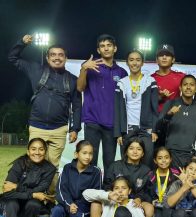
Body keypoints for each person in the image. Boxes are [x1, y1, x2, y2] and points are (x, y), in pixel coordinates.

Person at [8, 34, 82, 189]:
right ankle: (31, 198)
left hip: (59, 130)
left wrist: (75, 128)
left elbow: (77, 106)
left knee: (52, 168)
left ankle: (48, 201)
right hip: (37, 127)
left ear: (65, 58)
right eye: (53, 55)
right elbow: (12, 58)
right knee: (33, 164)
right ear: (47, 58)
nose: (57, 58)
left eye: (60, 55)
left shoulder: (73, 80)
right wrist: (21, 43)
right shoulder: (36, 69)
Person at [36, 140, 102, 217]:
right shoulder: (67, 168)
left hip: (84, 208)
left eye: (91, 153)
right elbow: (61, 190)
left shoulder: (96, 171)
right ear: (76, 154)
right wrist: (69, 204)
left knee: (76, 215)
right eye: (84, 153)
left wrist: (77, 205)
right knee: (56, 210)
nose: (88, 156)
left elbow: (95, 193)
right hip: (67, 204)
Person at [0, 138, 56, 217]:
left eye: (41, 149)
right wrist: (32, 193)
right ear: (28, 151)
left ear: (45, 152)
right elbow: (8, 192)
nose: (37, 152)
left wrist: (18, 188)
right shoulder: (20, 163)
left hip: (31, 201)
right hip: (13, 200)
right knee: (11, 203)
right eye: (33, 149)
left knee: (34, 204)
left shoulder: (50, 169)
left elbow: (40, 190)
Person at [77, 34, 127, 170]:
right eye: (102, 46)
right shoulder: (90, 67)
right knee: (89, 159)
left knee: (109, 161)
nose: (106, 49)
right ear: (98, 50)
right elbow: (80, 88)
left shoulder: (122, 72)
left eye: (109, 45)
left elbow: (125, 100)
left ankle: (107, 189)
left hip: (111, 123)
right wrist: (84, 69)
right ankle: (90, 189)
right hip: (92, 120)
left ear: (115, 48)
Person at [90, 138, 153, 217]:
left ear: (143, 154)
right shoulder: (115, 166)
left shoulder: (146, 170)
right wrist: (113, 195)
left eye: (139, 149)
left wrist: (139, 198)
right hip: (114, 199)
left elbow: (148, 191)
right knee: (95, 204)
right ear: (126, 151)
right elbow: (106, 185)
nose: (135, 151)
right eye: (131, 148)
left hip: (134, 201)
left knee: (150, 208)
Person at [114, 49, 158, 167]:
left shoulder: (150, 81)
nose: (135, 63)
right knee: (126, 163)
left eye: (138, 60)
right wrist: (118, 133)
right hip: (128, 129)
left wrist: (154, 129)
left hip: (146, 129)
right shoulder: (121, 83)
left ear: (142, 63)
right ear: (127, 63)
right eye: (131, 60)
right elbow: (117, 109)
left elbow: (155, 107)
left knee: (147, 162)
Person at [137, 147, 179, 217]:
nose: (163, 160)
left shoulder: (176, 174)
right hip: (156, 206)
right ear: (155, 160)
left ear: (170, 159)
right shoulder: (151, 175)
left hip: (171, 206)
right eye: (160, 158)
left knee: (166, 211)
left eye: (166, 157)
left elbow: (180, 192)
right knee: (156, 214)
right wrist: (151, 200)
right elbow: (144, 192)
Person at [156, 75, 196, 168]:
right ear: (180, 87)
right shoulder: (170, 103)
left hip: (189, 154)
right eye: (185, 84)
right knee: (172, 182)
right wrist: (169, 114)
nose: (188, 87)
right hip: (170, 153)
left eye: (191, 85)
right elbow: (158, 127)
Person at [151, 44, 185, 113]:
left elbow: (195, 88)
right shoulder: (149, 79)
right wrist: (160, 97)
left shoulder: (181, 77)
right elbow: (146, 102)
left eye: (168, 55)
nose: (164, 57)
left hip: (175, 118)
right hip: (155, 119)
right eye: (161, 55)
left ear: (173, 60)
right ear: (156, 60)